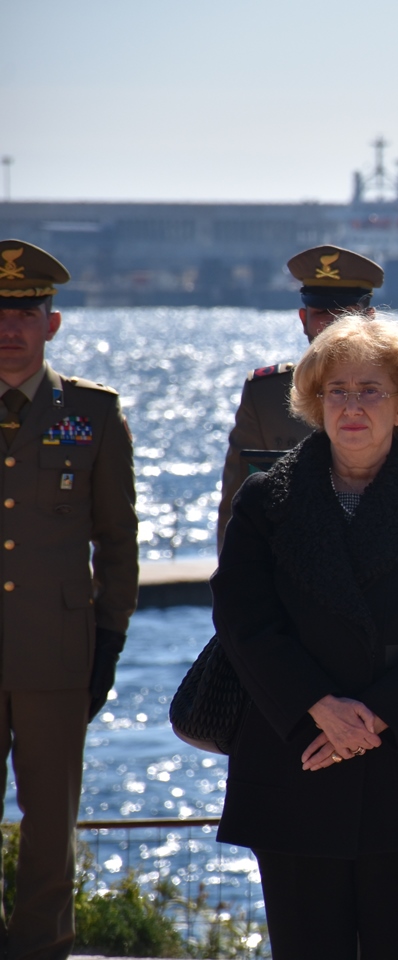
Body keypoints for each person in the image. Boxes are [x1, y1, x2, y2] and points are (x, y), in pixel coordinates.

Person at [211, 316, 398, 960]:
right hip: (297, 757)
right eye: (337, 390)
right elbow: (244, 621)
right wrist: (321, 708)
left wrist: (373, 721)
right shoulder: (264, 500)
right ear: (314, 403)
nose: (353, 406)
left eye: (370, 390)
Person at [0, 240, 138, 957]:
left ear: (51, 324)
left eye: (25, 312)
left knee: (50, 826)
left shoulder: (93, 416)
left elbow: (118, 544)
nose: (10, 328)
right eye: (0, 312)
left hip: (56, 656)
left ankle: (38, 950)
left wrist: (108, 642)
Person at [216, 244, 398, 552]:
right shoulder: (264, 396)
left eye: (345, 313)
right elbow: (235, 511)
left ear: (369, 318)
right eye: (321, 313)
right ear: (303, 318)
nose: (334, 325)